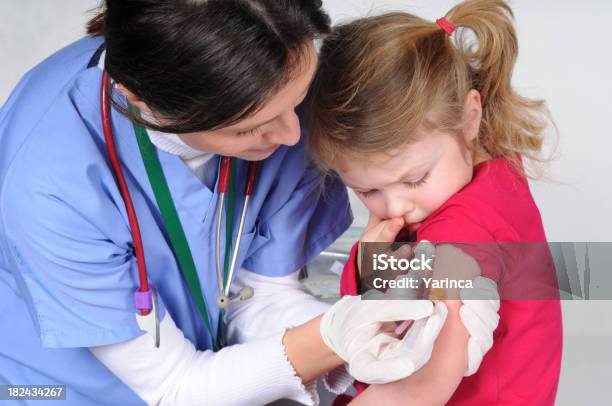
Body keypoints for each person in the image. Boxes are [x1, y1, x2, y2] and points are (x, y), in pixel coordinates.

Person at [0, 1, 460, 404]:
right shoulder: (51, 179)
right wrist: (334, 337)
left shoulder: (274, 87)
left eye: (297, 100)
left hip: (216, 365)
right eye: (248, 128)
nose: (293, 136)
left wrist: (370, 331)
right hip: (64, 390)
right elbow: (175, 388)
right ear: (144, 104)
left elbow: (256, 296)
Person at [307, 0, 563, 404]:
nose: (394, 208)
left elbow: (419, 387)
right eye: (367, 191)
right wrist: (373, 267)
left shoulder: (459, 239)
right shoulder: (488, 173)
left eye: (414, 179)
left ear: (469, 116)